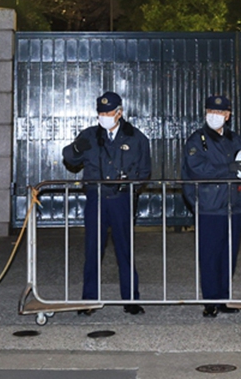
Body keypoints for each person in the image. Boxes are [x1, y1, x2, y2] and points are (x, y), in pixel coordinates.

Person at [62, 91, 151, 315]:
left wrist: (130, 188)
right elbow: (70, 158)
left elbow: (145, 171)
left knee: (125, 251)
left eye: (108, 112)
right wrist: (75, 149)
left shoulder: (136, 137)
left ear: (119, 113)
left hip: (121, 199)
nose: (104, 116)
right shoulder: (90, 136)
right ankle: (89, 301)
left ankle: (131, 299)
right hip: (97, 199)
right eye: (101, 112)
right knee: (93, 250)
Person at [181, 93, 241, 317]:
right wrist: (230, 168)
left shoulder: (235, 140)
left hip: (232, 205)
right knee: (209, 255)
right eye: (210, 112)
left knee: (229, 254)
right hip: (209, 205)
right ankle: (210, 301)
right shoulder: (197, 140)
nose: (214, 116)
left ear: (228, 115)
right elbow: (198, 169)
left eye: (219, 112)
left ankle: (224, 297)